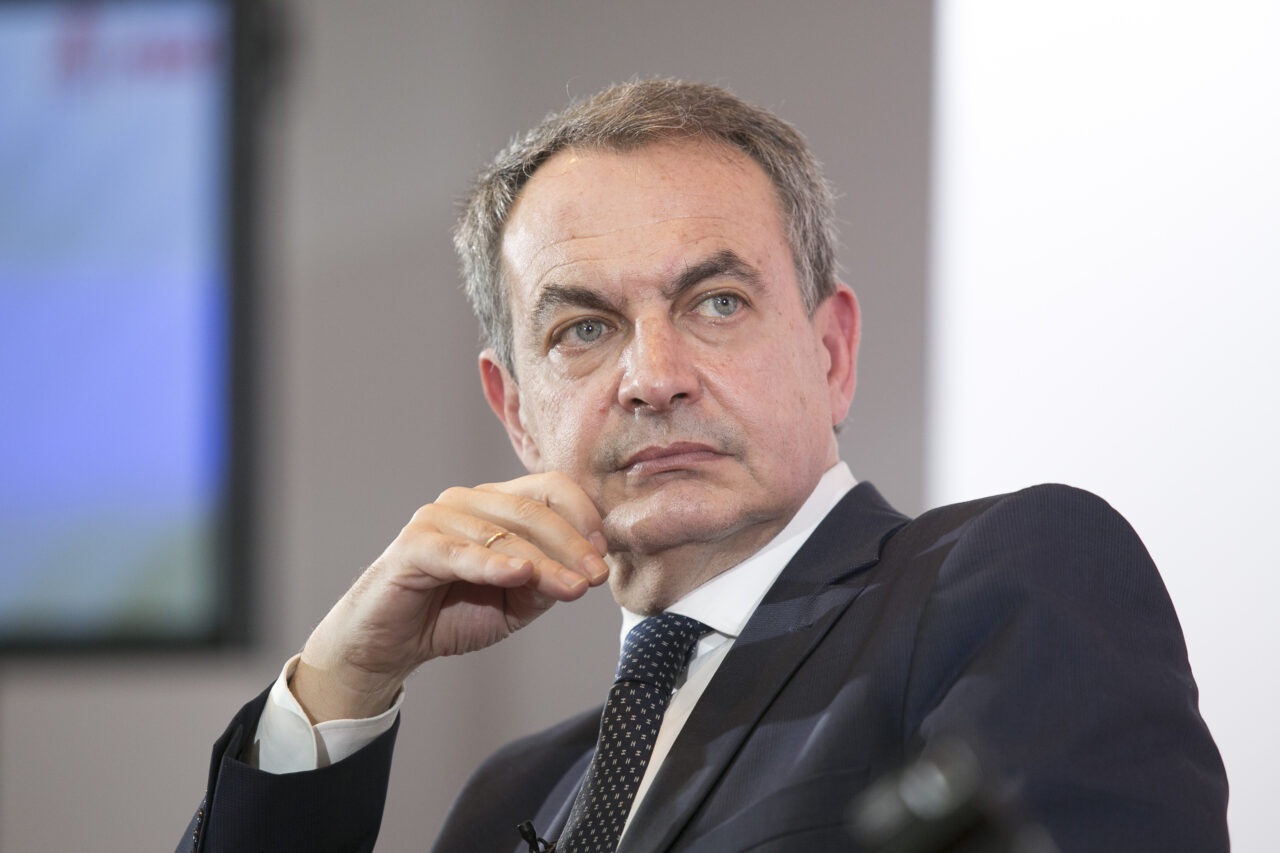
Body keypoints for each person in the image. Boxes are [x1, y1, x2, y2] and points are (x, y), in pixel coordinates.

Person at [179, 80, 1228, 853]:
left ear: (831, 353)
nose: (653, 377)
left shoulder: (1001, 578)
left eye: (715, 303)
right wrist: (342, 681)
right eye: (584, 329)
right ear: (516, 411)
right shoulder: (511, 797)